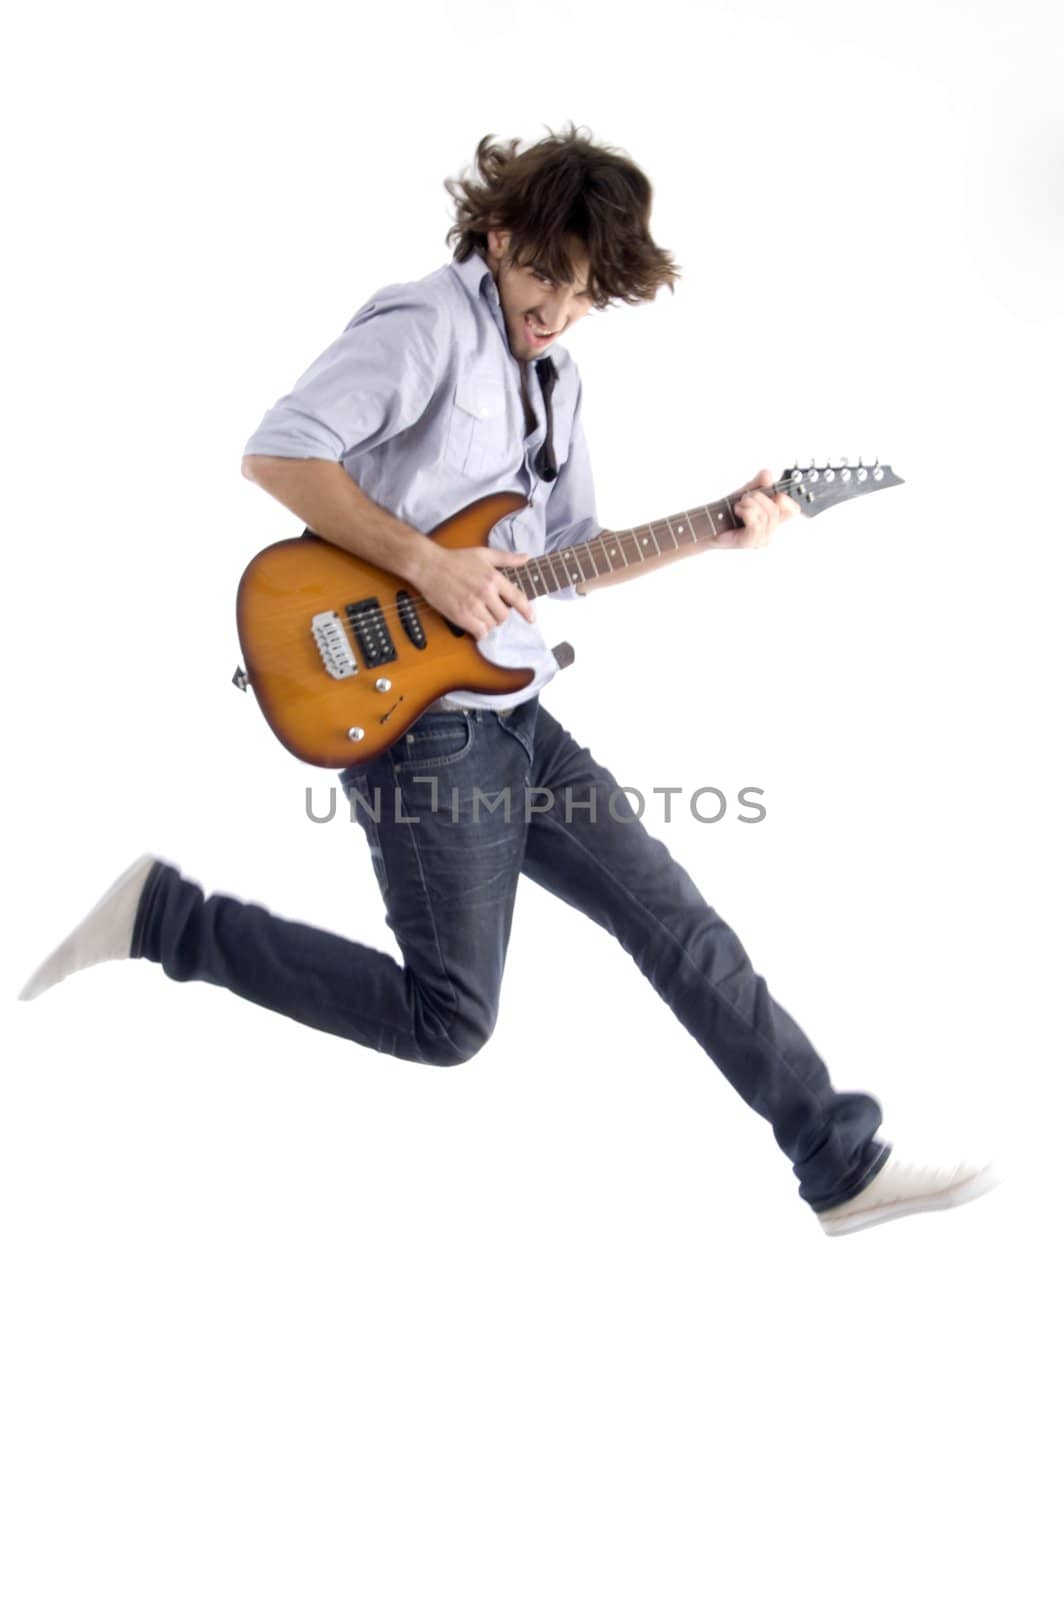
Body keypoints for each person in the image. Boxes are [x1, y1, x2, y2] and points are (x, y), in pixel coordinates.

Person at [18, 124, 1000, 1236]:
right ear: (496, 233)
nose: (554, 311)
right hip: (419, 720)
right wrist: (426, 562)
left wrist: (714, 534)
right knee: (449, 1019)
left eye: (582, 295)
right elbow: (277, 453)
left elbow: (568, 557)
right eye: (542, 277)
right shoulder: (424, 324)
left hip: (518, 712)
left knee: (679, 928)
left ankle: (839, 1163)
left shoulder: (558, 382)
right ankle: (164, 919)